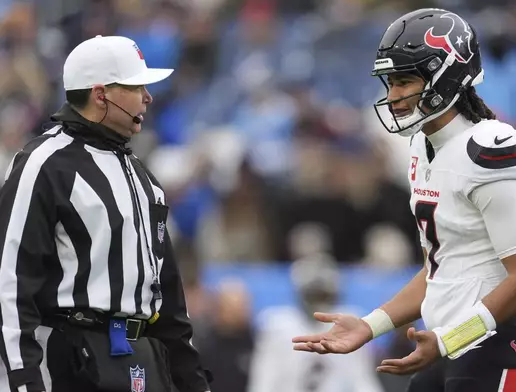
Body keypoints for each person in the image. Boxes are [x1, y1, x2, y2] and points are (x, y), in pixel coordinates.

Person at [292, 8, 516, 392]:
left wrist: (451, 340)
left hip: (504, 346)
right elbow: (440, 270)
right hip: (450, 344)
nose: (393, 97)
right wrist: (370, 325)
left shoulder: (489, 148)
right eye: (390, 84)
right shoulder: (422, 146)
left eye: (404, 82)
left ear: (446, 75)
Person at [0, 35, 211, 392]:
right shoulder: (44, 165)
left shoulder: (143, 177)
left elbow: (168, 301)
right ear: (101, 95)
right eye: (136, 86)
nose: (148, 97)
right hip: (72, 362)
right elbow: (11, 284)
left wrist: (194, 382)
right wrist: (24, 380)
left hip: (142, 359)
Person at [249, 255, 384, 392]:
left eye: (323, 295)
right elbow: (265, 378)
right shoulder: (277, 325)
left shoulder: (348, 323)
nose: (319, 302)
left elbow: (362, 379)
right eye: (315, 294)